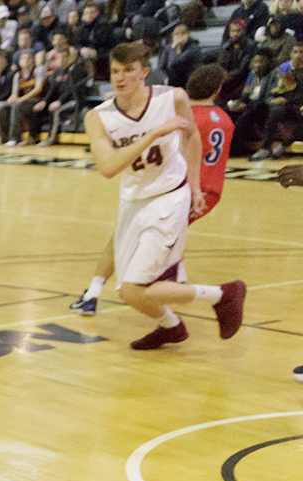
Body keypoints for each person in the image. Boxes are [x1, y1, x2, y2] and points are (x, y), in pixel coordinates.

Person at [84, 41, 246, 350]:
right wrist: (154, 134)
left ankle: (224, 295)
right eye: (115, 71)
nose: (120, 78)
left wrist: (196, 186)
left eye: (128, 70)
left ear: (143, 73)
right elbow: (107, 168)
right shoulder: (98, 117)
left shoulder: (173, 98)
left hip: (170, 197)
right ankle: (172, 326)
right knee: (129, 293)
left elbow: (193, 138)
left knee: (137, 285)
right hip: (132, 201)